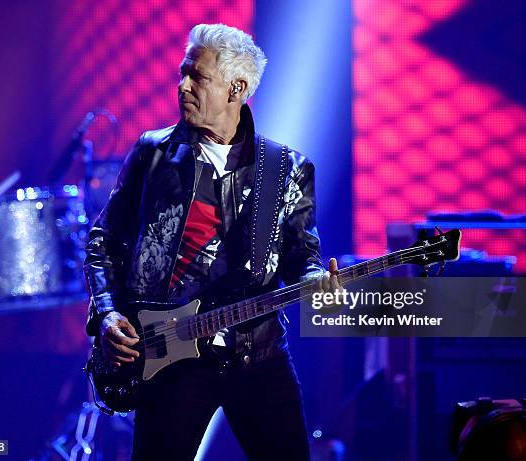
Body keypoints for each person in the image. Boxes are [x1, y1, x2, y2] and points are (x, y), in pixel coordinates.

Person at [84, 24, 340, 460]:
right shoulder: (154, 154)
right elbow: (102, 242)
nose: (182, 85)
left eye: (196, 76)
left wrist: (319, 284)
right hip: (170, 355)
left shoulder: (287, 168)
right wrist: (107, 315)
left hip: (257, 354)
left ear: (236, 88)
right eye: (183, 73)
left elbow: (304, 257)